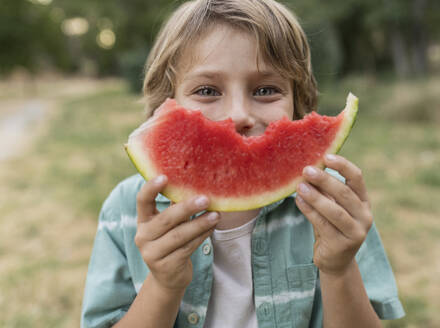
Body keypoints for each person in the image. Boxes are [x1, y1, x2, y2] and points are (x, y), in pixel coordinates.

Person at [81, 0, 405, 327]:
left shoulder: (333, 207)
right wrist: (164, 285)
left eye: (265, 89)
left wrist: (339, 268)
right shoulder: (123, 214)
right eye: (207, 90)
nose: (238, 115)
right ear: (166, 105)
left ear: (297, 101)